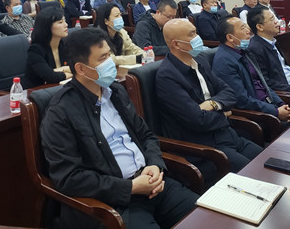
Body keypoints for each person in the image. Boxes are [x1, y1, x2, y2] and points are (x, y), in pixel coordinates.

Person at [41, 28, 198, 229]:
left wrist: (155, 164)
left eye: (110, 54)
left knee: (207, 217)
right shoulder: (60, 112)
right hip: (114, 202)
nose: (111, 62)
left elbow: (146, 135)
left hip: (152, 182)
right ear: (81, 69)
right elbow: (69, 178)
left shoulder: (115, 92)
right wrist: (130, 187)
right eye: (103, 58)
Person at [156, 18, 263, 172]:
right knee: (254, 173)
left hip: (227, 134)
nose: (197, 37)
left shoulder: (200, 60)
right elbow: (197, 119)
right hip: (205, 145)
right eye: (192, 34)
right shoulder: (167, 76)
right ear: (176, 44)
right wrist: (224, 113)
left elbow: (229, 93)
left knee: (267, 160)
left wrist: (213, 104)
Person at [212, 15, 290, 127]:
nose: (249, 31)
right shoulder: (224, 62)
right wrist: (275, 112)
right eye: (243, 28)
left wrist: (280, 103)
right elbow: (242, 100)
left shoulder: (244, 51)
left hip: (267, 105)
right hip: (255, 115)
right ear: (230, 38)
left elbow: (263, 83)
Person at [25, 7, 71, 87]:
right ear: (47, 26)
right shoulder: (35, 50)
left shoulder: (64, 45)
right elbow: (50, 77)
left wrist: (59, 70)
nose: (66, 25)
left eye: (65, 21)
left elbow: (78, 68)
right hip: (39, 91)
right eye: (60, 22)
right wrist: (69, 71)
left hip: (61, 87)